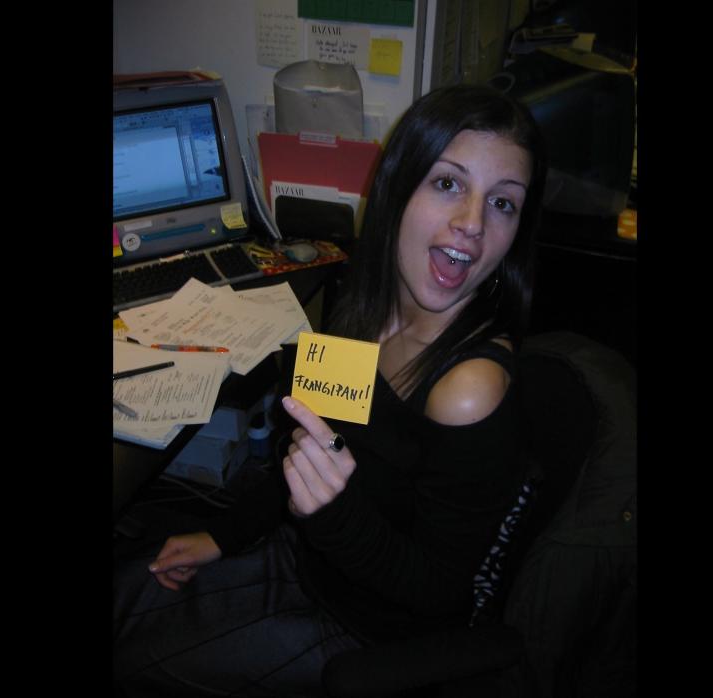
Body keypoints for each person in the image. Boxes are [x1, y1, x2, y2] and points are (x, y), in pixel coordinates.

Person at [114, 83, 548, 697]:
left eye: (503, 203)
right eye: (448, 183)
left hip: (365, 630)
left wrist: (334, 512)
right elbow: (306, 450)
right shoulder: (364, 312)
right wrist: (224, 535)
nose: (472, 223)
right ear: (398, 187)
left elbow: (438, 594)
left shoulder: (467, 388)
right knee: (130, 593)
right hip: (304, 559)